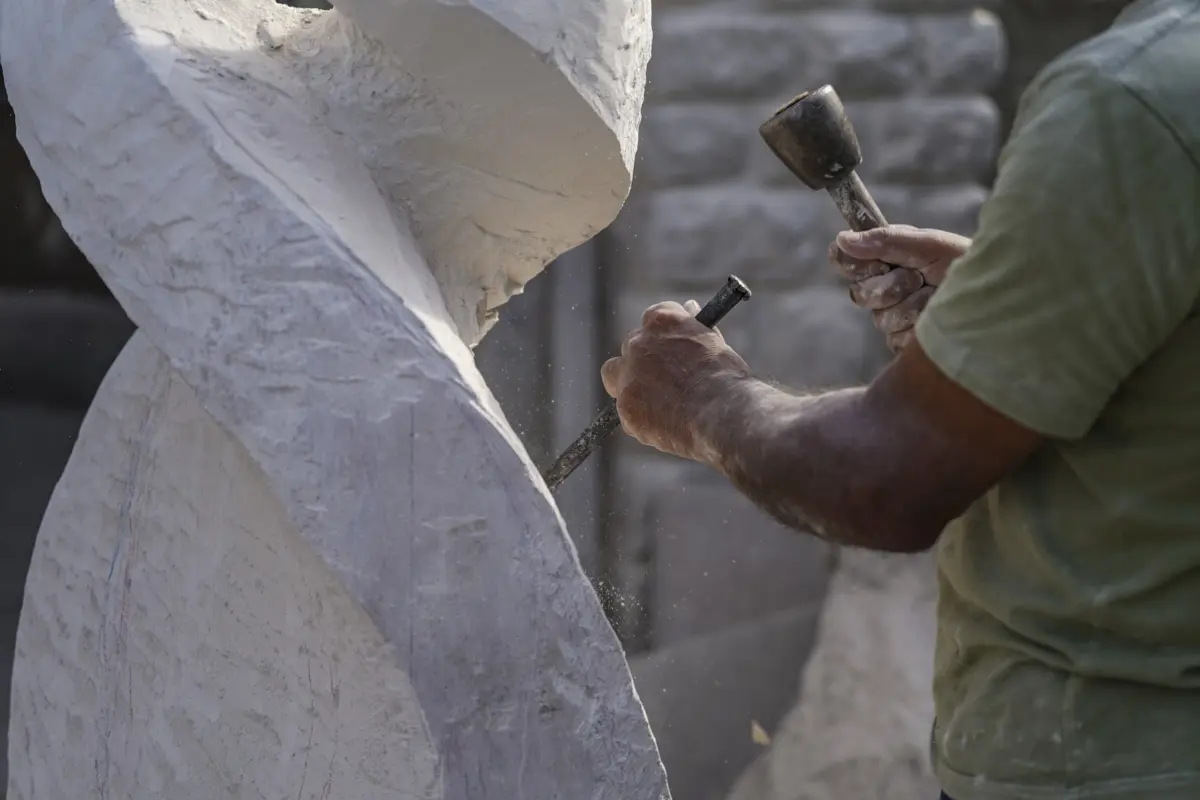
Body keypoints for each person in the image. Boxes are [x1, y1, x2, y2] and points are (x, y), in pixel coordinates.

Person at [600, 1, 1200, 798]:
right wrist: (1016, 317)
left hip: (1112, 762)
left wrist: (703, 398)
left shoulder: (1135, 102)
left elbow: (885, 479)